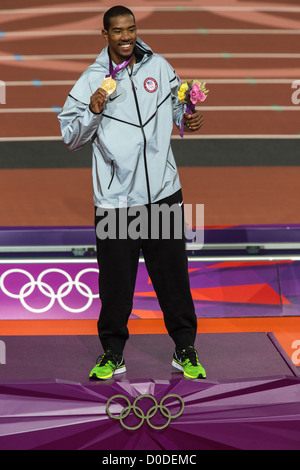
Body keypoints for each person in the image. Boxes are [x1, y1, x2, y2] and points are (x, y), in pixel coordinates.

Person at [58, 5, 206, 380]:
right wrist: (92, 111)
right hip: (116, 202)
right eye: (118, 31)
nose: (126, 37)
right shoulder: (91, 79)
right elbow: (70, 136)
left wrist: (185, 116)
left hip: (164, 193)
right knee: (115, 284)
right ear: (104, 35)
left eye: (131, 29)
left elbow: (175, 104)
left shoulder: (159, 66)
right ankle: (112, 353)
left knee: (174, 278)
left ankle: (185, 348)